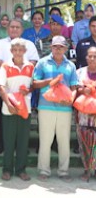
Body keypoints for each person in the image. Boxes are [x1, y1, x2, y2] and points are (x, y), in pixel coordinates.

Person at [33, 35, 78, 182]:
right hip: (45, 106)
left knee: (64, 141)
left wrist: (71, 99)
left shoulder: (70, 66)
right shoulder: (42, 62)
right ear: (51, 47)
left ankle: (63, 171)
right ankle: (44, 170)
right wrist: (49, 82)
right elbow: (34, 83)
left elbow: (74, 86)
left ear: (65, 48)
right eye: (55, 46)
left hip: (65, 109)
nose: (58, 49)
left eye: (61, 47)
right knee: (45, 140)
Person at [0, 19, 39, 154]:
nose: (14, 29)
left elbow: (33, 62)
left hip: (23, 90)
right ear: (7, 28)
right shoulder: (0, 43)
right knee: (0, 119)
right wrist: (15, 66)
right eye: (11, 27)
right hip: (4, 89)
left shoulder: (29, 44)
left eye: (17, 27)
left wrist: (20, 66)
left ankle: (21, 147)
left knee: (21, 120)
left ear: (22, 29)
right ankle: (0, 144)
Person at [0, 38, 34, 181]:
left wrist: (28, 90)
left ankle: (21, 170)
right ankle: (7, 169)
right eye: (15, 50)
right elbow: (1, 87)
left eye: (20, 50)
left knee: (23, 141)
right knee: (9, 140)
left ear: (25, 51)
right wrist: (8, 104)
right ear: (11, 51)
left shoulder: (30, 66)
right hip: (9, 109)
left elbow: (32, 85)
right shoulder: (5, 66)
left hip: (25, 108)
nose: (18, 52)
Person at [75, 46, 96, 181]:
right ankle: (87, 169)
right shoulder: (79, 72)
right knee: (84, 142)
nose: (92, 59)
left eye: (95, 56)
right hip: (82, 115)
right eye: (90, 56)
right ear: (86, 57)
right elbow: (73, 90)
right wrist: (82, 91)